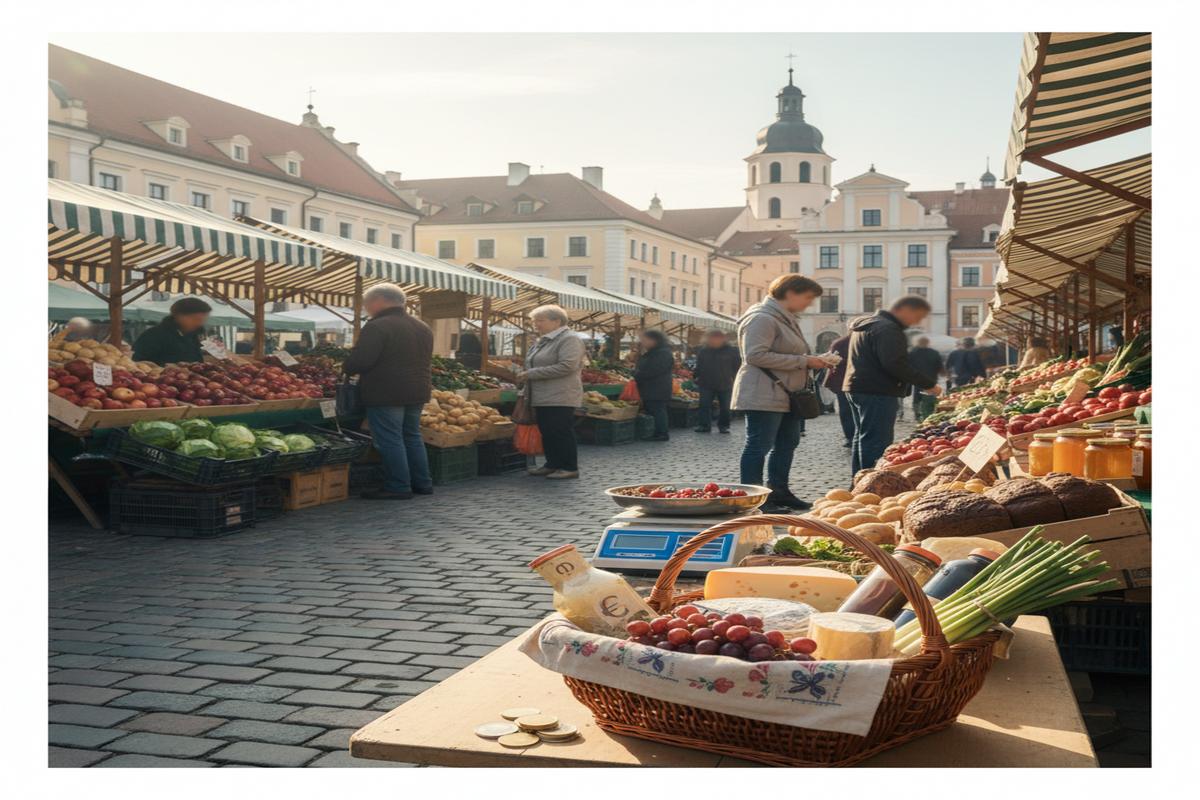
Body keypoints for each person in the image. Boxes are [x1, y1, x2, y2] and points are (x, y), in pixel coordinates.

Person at [733, 275, 838, 511]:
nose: (809, 303)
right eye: (808, 297)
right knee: (759, 444)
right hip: (764, 391)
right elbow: (755, 355)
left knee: (787, 443)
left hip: (788, 393)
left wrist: (813, 361)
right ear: (790, 293)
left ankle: (779, 490)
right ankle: (753, 497)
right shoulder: (762, 318)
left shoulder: (784, 318)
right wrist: (805, 361)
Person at [343, 284, 434, 500]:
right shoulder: (422, 326)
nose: (367, 309)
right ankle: (422, 483)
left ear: (379, 301)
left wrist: (347, 366)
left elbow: (362, 361)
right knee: (411, 436)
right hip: (417, 390)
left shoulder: (378, 326)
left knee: (390, 439)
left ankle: (399, 486)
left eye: (367, 304)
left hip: (386, 392)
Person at [843, 296, 943, 475]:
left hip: (858, 386)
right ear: (904, 309)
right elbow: (894, 363)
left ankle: (858, 479)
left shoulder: (868, 325)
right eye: (917, 316)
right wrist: (928, 384)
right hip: (877, 390)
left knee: (863, 437)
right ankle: (870, 483)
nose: (917, 322)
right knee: (875, 441)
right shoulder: (887, 328)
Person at [518, 305, 586, 480]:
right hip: (542, 395)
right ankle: (552, 464)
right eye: (534, 321)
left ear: (557, 321)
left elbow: (567, 366)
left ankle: (569, 467)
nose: (536, 324)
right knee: (547, 431)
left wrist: (531, 374)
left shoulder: (569, 339)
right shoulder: (544, 340)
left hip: (560, 394)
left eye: (540, 320)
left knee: (560, 430)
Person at [132, 297, 211, 366]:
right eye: (196, 319)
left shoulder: (192, 336)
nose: (199, 323)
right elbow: (138, 363)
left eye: (203, 320)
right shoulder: (153, 335)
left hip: (192, 382)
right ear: (179, 316)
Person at [693, 329, 741, 434]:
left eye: (718, 338)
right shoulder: (703, 351)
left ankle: (724, 426)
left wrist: (736, 380)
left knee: (725, 407)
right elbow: (699, 366)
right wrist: (695, 376)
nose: (715, 341)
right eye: (712, 338)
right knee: (704, 405)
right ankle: (704, 425)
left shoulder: (731, 351)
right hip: (706, 383)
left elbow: (737, 367)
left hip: (725, 383)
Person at [634, 329, 675, 441]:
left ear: (654, 340)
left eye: (644, 340)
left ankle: (662, 433)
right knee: (655, 410)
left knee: (658, 410)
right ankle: (657, 432)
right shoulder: (656, 352)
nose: (642, 342)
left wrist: (638, 375)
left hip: (657, 388)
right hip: (653, 387)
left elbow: (653, 370)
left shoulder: (662, 353)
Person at [823, 329, 855, 448]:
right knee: (849, 410)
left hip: (841, 381)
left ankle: (850, 436)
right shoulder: (844, 342)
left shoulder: (839, 342)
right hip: (847, 380)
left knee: (845, 410)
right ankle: (852, 436)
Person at [908, 336, 944, 422]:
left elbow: (908, 366)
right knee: (930, 396)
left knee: (917, 397)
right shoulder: (934, 352)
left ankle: (918, 415)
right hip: (931, 378)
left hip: (917, 378)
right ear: (927, 343)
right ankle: (929, 414)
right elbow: (939, 366)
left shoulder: (912, 352)